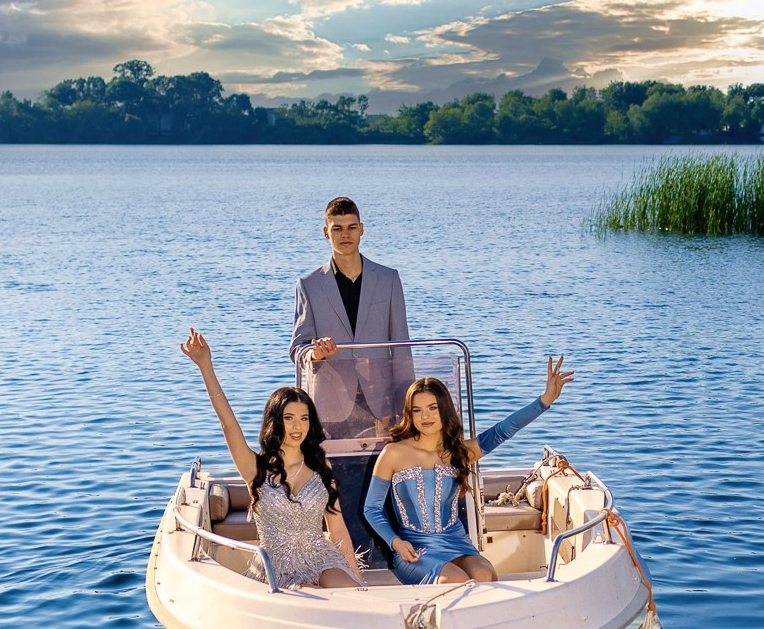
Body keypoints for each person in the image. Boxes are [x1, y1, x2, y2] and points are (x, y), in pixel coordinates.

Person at [181, 328, 365, 590]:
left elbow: (337, 529)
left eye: (304, 418)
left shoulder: (321, 467)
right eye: (289, 418)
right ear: (275, 422)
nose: (297, 426)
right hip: (276, 567)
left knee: (351, 592)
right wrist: (205, 367)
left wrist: (359, 582)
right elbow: (229, 426)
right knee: (308, 596)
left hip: (321, 559)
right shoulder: (254, 468)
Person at [364, 358, 575, 586]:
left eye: (432, 408)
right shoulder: (393, 453)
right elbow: (372, 508)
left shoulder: (460, 452)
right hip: (414, 548)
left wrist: (544, 401)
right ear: (410, 414)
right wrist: (395, 542)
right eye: (417, 410)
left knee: (485, 574)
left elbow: (503, 431)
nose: (425, 417)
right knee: (454, 581)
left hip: (456, 543)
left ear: (445, 410)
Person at [290, 195, 413, 564]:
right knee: (340, 483)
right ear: (325, 232)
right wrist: (315, 353)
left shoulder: (388, 279)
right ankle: (348, 560)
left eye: (352, 227)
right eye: (337, 229)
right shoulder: (309, 284)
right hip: (332, 403)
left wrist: (403, 405)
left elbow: (401, 346)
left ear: (362, 230)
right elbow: (297, 348)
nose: (345, 235)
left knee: (383, 480)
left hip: (381, 402)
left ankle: (386, 557)